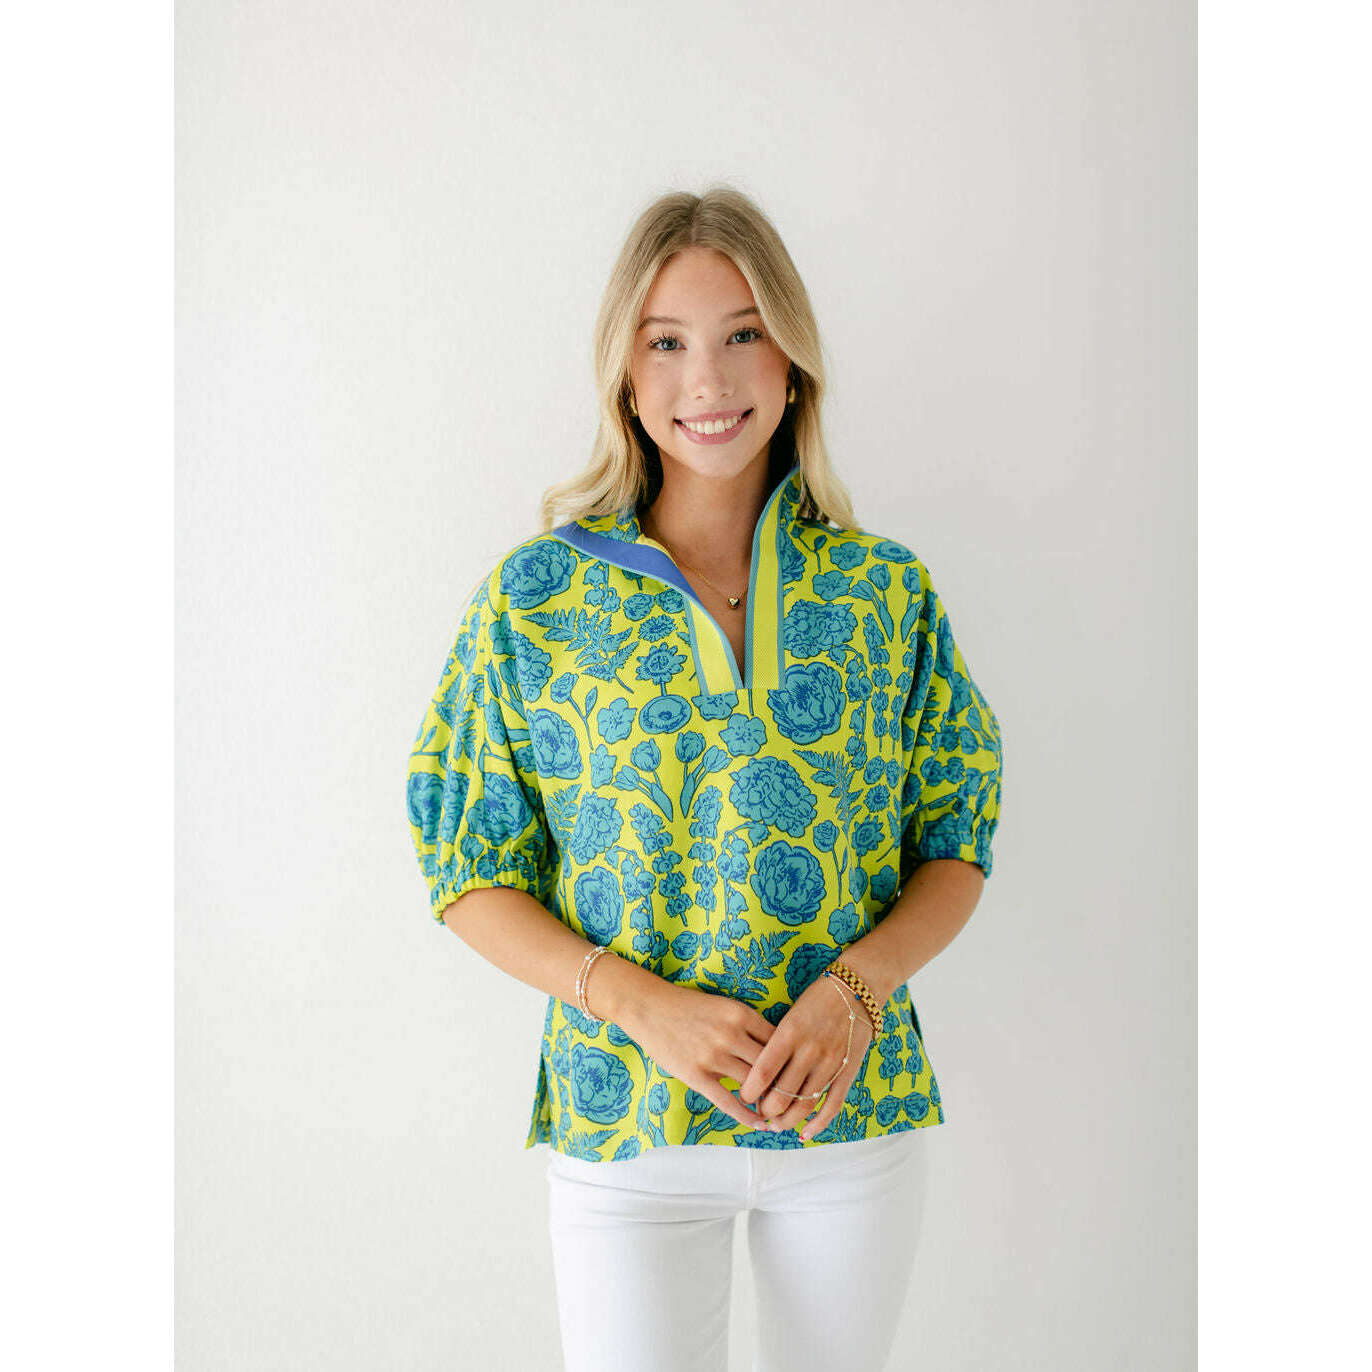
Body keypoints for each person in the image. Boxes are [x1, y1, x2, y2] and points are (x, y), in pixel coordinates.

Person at [404, 185, 1004, 1372]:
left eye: (741, 333)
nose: (708, 379)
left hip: (850, 1122)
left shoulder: (884, 591)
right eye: (666, 343)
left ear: (792, 360)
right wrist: (637, 1003)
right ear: (624, 376)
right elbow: (466, 866)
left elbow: (957, 836)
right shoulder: (536, 598)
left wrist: (857, 989)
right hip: (626, 1128)